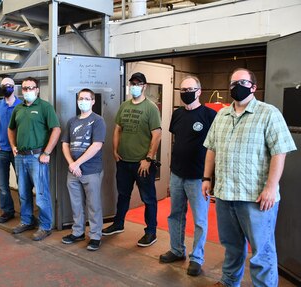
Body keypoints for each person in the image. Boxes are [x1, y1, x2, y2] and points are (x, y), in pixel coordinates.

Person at [202, 68, 296, 287]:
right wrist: (206, 178)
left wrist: (271, 188)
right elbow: (211, 149)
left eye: (242, 82)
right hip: (225, 195)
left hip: (255, 197)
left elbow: (279, 152)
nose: (237, 87)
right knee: (231, 245)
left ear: (253, 87)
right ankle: (228, 281)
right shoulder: (222, 115)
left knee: (261, 252)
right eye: (233, 83)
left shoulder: (268, 113)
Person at [159, 76, 216, 276]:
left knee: (200, 220)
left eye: (190, 89)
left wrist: (209, 178)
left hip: (198, 178)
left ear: (199, 91)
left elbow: (215, 148)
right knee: (175, 215)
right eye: (183, 89)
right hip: (177, 174)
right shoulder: (177, 114)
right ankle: (176, 250)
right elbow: (178, 141)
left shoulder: (210, 115)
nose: (186, 92)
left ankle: (197, 258)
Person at [102, 72, 162, 247]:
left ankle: (151, 232)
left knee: (148, 199)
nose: (134, 86)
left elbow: (156, 135)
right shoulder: (124, 106)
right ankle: (118, 223)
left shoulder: (151, 108)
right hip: (124, 161)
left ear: (144, 86)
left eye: (137, 83)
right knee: (123, 195)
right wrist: (115, 150)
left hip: (142, 163)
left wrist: (149, 159)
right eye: (132, 83)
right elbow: (117, 129)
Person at [8, 77, 61, 241]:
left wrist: (46, 153)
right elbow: (11, 129)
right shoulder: (18, 109)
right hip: (20, 157)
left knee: (41, 193)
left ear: (37, 89)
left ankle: (45, 226)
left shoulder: (45, 107)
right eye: (24, 88)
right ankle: (27, 221)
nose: (27, 91)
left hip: (37, 157)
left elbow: (56, 130)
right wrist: (13, 146)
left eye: (31, 88)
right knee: (23, 193)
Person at [61, 88, 106, 251]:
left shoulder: (98, 120)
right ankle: (78, 232)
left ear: (93, 101)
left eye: (87, 98)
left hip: (91, 171)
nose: (83, 101)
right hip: (73, 171)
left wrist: (77, 163)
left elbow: (97, 145)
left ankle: (95, 235)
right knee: (76, 204)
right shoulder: (72, 121)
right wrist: (71, 164)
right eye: (81, 98)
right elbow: (65, 144)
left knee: (93, 205)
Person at [0, 77, 22, 223]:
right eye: (4, 85)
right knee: (2, 184)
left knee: (23, 184)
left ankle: (26, 214)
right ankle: (8, 211)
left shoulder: (21, 104)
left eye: (9, 85)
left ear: (14, 87)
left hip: (17, 150)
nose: (6, 87)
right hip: (1, 149)